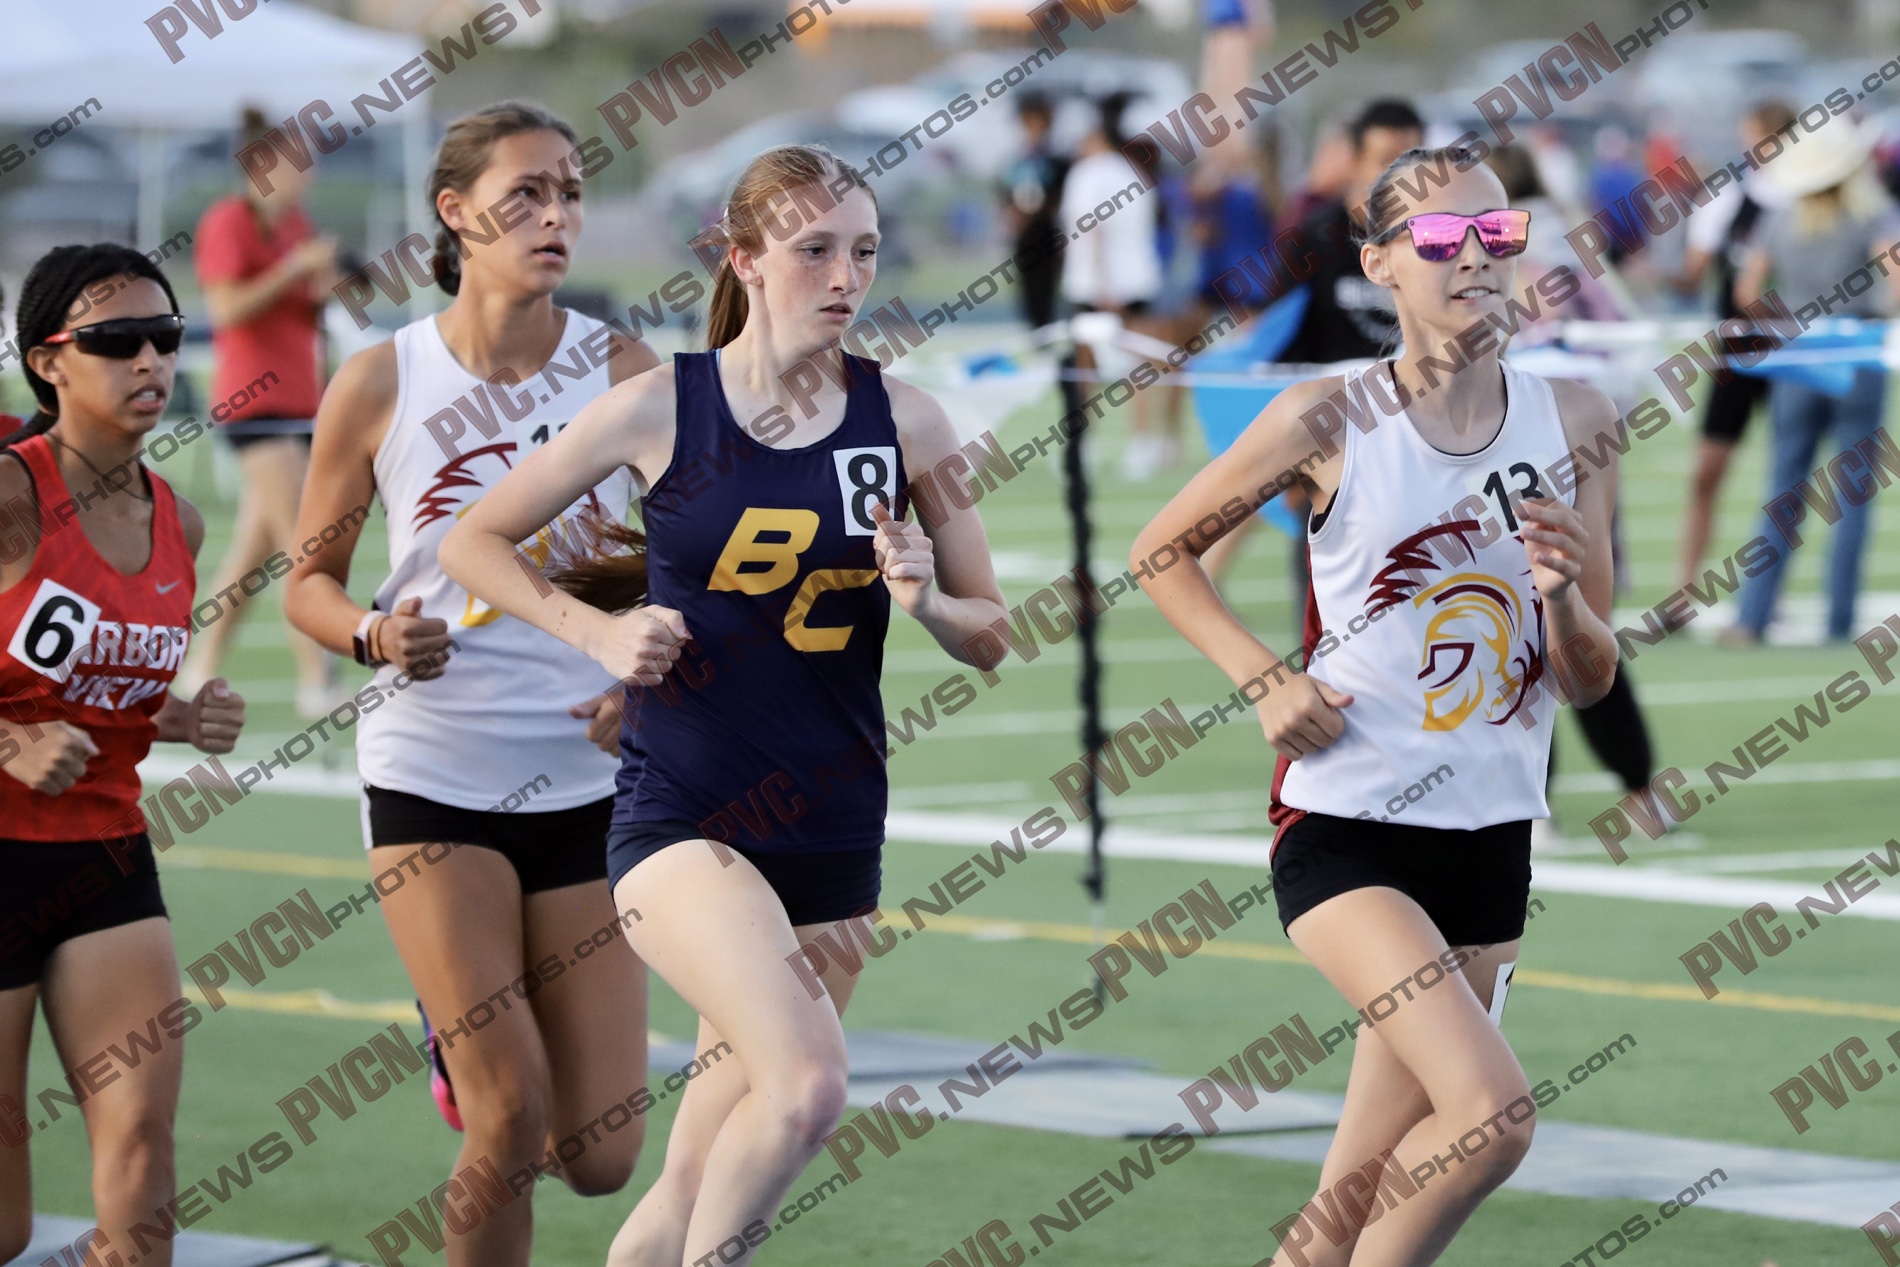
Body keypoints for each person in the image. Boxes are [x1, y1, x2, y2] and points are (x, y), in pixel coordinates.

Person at [438, 144, 1008, 1267]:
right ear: (744, 258)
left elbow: (989, 630)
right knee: (808, 1086)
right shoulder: (661, 405)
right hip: (686, 815)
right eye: (814, 250)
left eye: (863, 251)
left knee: (695, 1174)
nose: (845, 276)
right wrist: (598, 633)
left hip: (835, 824)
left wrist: (928, 599)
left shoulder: (907, 420)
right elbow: (473, 539)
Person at [1132, 144, 1620, 1262]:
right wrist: (1264, 677)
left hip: (1491, 834)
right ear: (1381, 263)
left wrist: (1561, 598)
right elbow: (1161, 551)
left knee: (1344, 1201)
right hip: (1349, 825)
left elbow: (1590, 675)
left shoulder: (1579, 416)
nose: (1476, 256)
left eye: (1498, 233)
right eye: (1442, 238)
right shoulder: (1328, 416)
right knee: (1491, 1116)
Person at [282, 102, 658, 1264]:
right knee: (510, 1113)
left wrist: (640, 675)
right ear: (454, 213)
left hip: (588, 777)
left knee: (599, 1155)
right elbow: (307, 584)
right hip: (433, 771)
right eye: (524, 194)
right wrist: (373, 636)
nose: (555, 216)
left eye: (570, 193)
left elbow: (691, 563)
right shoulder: (379, 379)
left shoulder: (624, 371)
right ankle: (471, 1048)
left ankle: (455, 1043)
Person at [0, 244, 246, 1265]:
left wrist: (181, 716)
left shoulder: (179, 518)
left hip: (105, 856)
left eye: (166, 336)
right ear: (47, 361)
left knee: (142, 1154)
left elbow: (101, 689)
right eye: (116, 340)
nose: (149, 360)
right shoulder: (10, 494)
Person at [1199, 100, 1424, 612]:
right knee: (1325, 598)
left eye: (1410, 160)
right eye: (1384, 160)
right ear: (1355, 162)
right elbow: (1280, 338)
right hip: (1332, 437)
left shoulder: (1436, 241)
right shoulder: (1315, 237)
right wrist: (1290, 449)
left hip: (1415, 436)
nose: (1397, 176)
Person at [179, 106, 340, 716]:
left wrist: (324, 282)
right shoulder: (227, 222)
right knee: (304, 538)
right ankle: (317, 678)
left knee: (256, 551)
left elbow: (308, 312)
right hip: (253, 403)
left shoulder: (297, 224)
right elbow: (226, 309)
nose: (310, 174)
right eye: (300, 162)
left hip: (300, 400)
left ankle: (199, 665)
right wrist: (291, 269)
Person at [1728, 120, 1900, 645]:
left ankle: (1753, 617)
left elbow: (1746, 292)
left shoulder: (1780, 220)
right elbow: (1895, 286)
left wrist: (1786, 325)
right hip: (1857, 360)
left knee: (1783, 492)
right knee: (1852, 499)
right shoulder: (1870, 215)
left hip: (1799, 359)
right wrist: (1874, 318)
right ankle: (1838, 621)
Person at [1667, 102, 1795, 629]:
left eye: (1762, 135)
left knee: (1789, 475)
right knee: (1708, 469)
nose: (1754, 146)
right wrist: (1640, 271)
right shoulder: (1727, 198)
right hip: (1737, 351)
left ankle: (1768, 595)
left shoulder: (1809, 198)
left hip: (1799, 352)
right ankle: (1682, 593)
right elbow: (1693, 276)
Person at [1058, 92, 1169, 479]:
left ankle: (1086, 444)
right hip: (1136, 282)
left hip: (1098, 287)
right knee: (1137, 363)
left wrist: (1103, 286)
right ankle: (1141, 443)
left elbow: (1093, 229)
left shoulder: (1089, 174)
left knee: (1085, 366)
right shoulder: (1131, 172)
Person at [998, 92, 1068, 332]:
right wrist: (1013, 215)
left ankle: (1047, 330)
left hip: (1047, 230)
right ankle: (1035, 331)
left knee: (1048, 289)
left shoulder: (1056, 160)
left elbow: (1061, 197)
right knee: (1027, 290)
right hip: (1025, 233)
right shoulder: (1016, 160)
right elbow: (1004, 194)